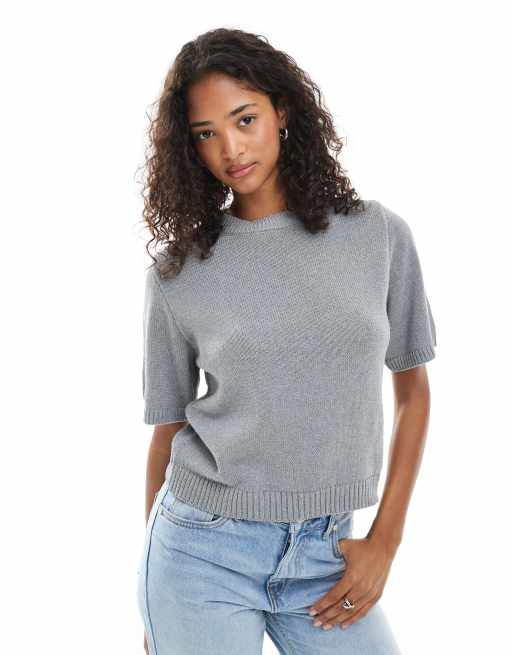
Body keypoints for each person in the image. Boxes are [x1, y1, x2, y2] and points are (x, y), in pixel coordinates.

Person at [136, 27, 436, 655]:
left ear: (282, 110)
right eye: (205, 133)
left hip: (328, 556)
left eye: (244, 119)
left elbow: (413, 393)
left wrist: (384, 543)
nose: (230, 149)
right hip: (200, 555)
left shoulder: (378, 236)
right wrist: (155, 601)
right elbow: (167, 432)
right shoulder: (177, 274)